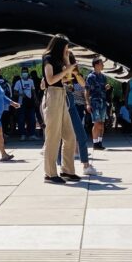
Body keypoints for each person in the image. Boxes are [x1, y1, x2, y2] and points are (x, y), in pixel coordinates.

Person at [41, 34, 79, 183]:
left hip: (62, 95)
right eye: (66, 46)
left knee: (70, 136)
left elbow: (68, 79)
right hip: (52, 96)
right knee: (53, 137)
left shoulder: (59, 59)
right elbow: (50, 80)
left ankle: (67, 171)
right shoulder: (48, 58)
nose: (67, 49)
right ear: (60, 45)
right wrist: (66, 70)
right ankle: (50, 174)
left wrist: (67, 61)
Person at [86, 57, 110, 150]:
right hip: (94, 102)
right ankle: (95, 143)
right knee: (96, 123)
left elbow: (103, 89)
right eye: (101, 63)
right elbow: (87, 91)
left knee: (102, 123)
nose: (103, 65)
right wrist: (87, 103)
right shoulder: (91, 77)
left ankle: (100, 142)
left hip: (103, 102)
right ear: (96, 65)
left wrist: (106, 87)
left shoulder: (103, 77)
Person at [12, 69, 37, 140]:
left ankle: (32, 134)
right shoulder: (18, 82)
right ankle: (22, 134)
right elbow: (15, 93)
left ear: (28, 73)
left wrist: (35, 99)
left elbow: (33, 91)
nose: (24, 73)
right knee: (21, 119)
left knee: (32, 118)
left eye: (25, 72)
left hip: (30, 102)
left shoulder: (31, 81)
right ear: (21, 73)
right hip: (22, 103)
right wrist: (21, 94)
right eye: (23, 72)